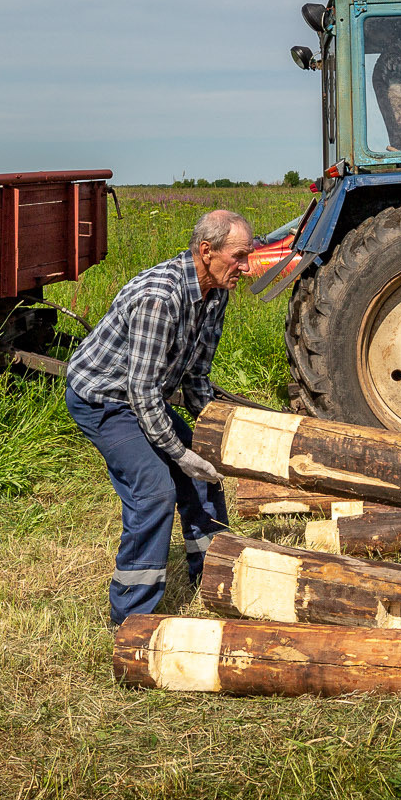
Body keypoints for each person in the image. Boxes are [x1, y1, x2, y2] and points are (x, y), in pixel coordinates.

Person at [65, 209, 253, 623]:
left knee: (204, 476)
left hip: (143, 396)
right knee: (154, 492)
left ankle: (212, 579)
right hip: (104, 400)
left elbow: (198, 375)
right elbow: (142, 391)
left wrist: (208, 438)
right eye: (239, 256)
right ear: (207, 251)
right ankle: (132, 618)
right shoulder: (160, 297)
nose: (247, 266)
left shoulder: (216, 292)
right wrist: (178, 454)